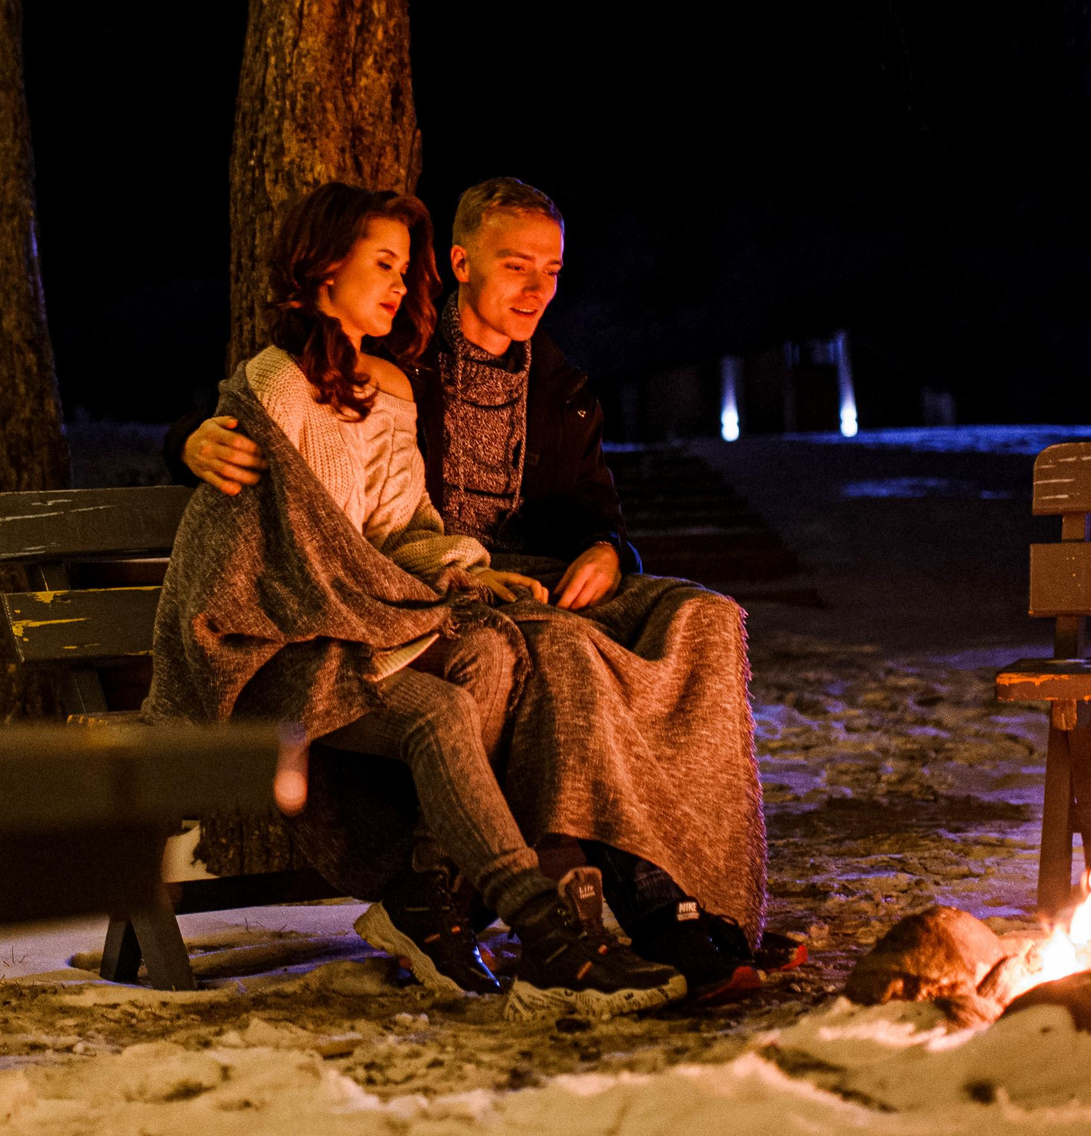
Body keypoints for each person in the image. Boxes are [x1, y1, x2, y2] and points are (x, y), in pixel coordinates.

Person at [178, 179, 772, 1002]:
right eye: (384, 266)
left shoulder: (408, 384)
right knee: (479, 685)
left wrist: (531, 560)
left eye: (552, 270)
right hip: (291, 639)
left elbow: (403, 522)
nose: (397, 284)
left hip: (412, 605)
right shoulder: (311, 382)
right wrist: (192, 439)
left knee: (661, 624)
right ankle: (558, 920)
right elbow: (274, 537)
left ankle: (668, 897)